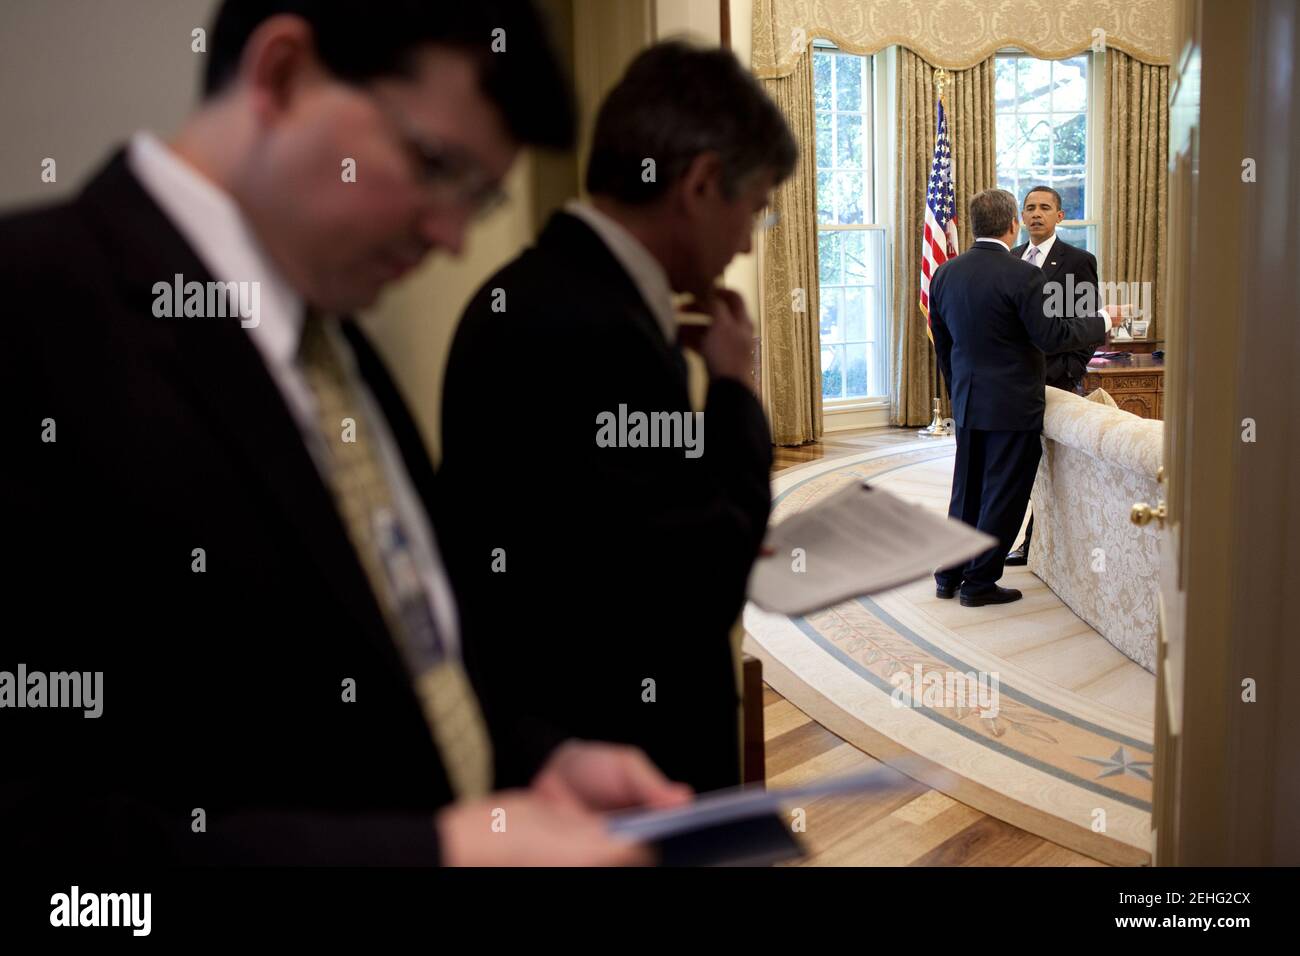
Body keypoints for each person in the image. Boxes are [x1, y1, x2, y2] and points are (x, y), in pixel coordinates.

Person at [1, 0, 689, 867]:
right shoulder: (31, 316)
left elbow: (403, 663)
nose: (448, 236)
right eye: (435, 165)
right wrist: (431, 855)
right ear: (283, 76)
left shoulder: (337, 344)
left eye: (477, 200)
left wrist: (535, 766)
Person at [438, 41, 796, 794]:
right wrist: (734, 386)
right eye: (753, 209)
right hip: (625, 767)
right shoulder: (601, 332)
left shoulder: (522, 293)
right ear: (701, 183)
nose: (742, 243)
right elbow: (701, 590)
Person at [929, 189, 1122, 607]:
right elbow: (1051, 336)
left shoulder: (945, 273)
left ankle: (948, 574)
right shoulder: (1023, 275)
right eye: (1028, 210)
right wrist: (1105, 320)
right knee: (1004, 492)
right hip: (1013, 405)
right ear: (1012, 223)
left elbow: (943, 346)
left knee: (966, 489)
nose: (1034, 216)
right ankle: (979, 584)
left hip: (968, 401)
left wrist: (958, 389)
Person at [1005, 184, 1102, 566]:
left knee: (1051, 468)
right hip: (1013, 382)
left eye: (1045, 207)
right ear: (1020, 217)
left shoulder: (1077, 261)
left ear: (1059, 216)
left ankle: (1036, 545)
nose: (1036, 214)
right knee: (1020, 467)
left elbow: (1088, 323)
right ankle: (1032, 542)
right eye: (1029, 208)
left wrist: (1071, 369)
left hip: (1055, 381)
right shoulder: (1011, 259)